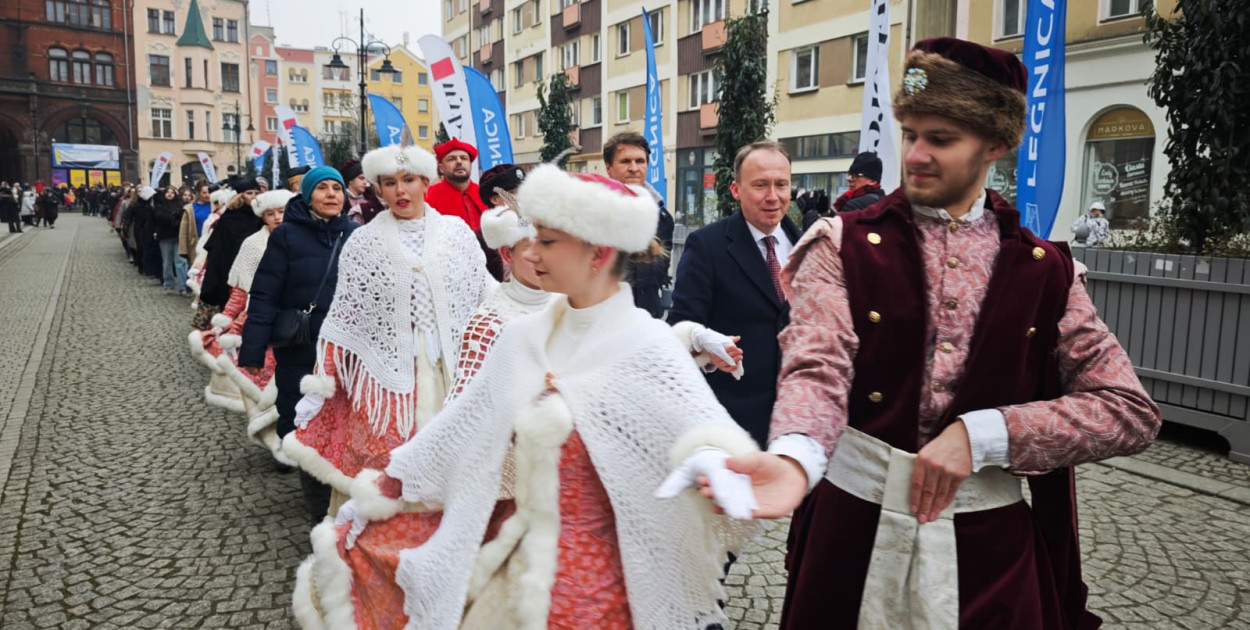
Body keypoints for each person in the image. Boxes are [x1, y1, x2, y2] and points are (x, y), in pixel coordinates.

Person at [702, 38, 1163, 629]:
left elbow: (1129, 410)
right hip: (850, 535)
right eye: (910, 133)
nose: (915, 155)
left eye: (940, 139)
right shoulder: (841, 245)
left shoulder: (1046, 270)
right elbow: (817, 365)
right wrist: (795, 456)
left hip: (989, 556)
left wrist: (986, 435)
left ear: (995, 144)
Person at [294, 164, 759, 630]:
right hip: (530, 574)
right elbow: (458, 427)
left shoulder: (647, 343)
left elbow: (705, 429)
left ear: (597, 254)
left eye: (548, 241)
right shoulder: (523, 338)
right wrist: (383, 489)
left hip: (616, 590)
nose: (531, 252)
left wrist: (713, 461)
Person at [279, 143, 495, 529]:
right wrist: (322, 382)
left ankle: (453, 538)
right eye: (389, 183)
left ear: (426, 182)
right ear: (378, 189)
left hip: (451, 369)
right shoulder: (364, 242)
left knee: (457, 458)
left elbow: (483, 293)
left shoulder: (456, 233)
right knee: (390, 464)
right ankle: (391, 543)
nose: (400, 190)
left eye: (408, 180)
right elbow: (346, 319)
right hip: (388, 379)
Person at [238, 166, 358, 522]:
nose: (331, 194)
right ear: (307, 196)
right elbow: (265, 294)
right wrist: (253, 350)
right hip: (302, 349)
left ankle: (346, 505)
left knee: (346, 427)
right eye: (322, 188)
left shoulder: (357, 234)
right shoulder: (286, 236)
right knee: (307, 428)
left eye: (337, 188)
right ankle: (320, 513)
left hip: (349, 353)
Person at [668, 141, 803, 447]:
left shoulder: (809, 245)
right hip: (732, 426)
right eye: (760, 185)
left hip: (796, 426)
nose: (773, 196)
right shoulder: (707, 246)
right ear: (736, 190)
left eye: (781, 184)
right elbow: (679, 327)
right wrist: (706, 348)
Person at [211, 189, 298, 468]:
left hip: (296, 320)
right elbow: (240, 289)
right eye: (270, 214)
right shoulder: (252, 245)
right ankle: (277, 441)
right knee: (266, 381)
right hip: (260, 320)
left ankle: (296, 440)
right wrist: (227, 317)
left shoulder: (301, 237)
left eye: (281, 211)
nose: (277, 218)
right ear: (263, 216)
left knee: (296, 382)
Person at [602, 132, 675, 318]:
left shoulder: (662, 217)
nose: (634, 168)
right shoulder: (594, 212)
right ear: (609, 168)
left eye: (640, 161)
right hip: (604, 319)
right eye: (625, 161)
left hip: (647, 317)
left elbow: (659, 274)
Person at [199, 179, 263, 311]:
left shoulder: (262, 217)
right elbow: (217, 251)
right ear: (240, 195)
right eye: (249, 193)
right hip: (229, 270)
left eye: (256, 193)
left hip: (256, 269)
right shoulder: (228, 218)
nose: (253, 196)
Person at [425, 137, 488, 231]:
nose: (459, 162)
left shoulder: (486, 193)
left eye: (464, 158)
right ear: (441, 168)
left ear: (470, 165)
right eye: (451, 159)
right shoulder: (427, 197)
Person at [153, 187, 188, 294]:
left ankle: (183, 286)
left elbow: (182, 218)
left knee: (180, 261)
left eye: (172, 192)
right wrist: (174, 216)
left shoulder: (180, 205)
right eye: (167, 192)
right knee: (167, 262)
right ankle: (168, 284)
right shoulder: (159, 206)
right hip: (165, 237)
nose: (170, 194)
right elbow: (160, 218)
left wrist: (174, 216)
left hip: (178, 236)